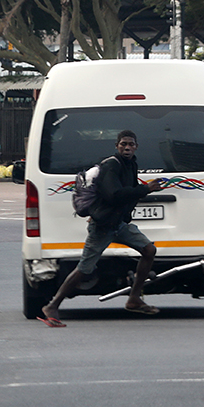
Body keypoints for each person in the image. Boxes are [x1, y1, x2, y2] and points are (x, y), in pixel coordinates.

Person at [39, 130, 163, 328]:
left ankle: (134, 299)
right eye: (123, 144)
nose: (127, 147)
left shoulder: (131, 164)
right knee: (85, 269)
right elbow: (113, 195)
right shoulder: (111, 165)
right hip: (103, 226)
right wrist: (145, 189)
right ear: (117, 146)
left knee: (149, 249)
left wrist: (141, 193)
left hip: (119, 224)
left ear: (136, 147)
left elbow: (128, 191)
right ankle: (52, 306)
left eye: (131, 144)